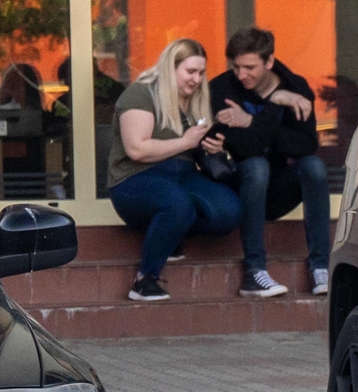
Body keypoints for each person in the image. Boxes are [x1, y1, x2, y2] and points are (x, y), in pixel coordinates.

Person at [107, 38, 239, 302]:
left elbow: (194, 150)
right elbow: (136, 150)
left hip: (183, 174)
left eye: (201, 73)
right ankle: (145, 280)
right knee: (177, 205)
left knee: (229, 211)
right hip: (135, 177)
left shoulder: (196, 100)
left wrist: (213, 149)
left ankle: (173, 231)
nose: (197, 79)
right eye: (190, 72)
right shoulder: (140, 93)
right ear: (170, 67)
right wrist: (186, 141)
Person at [212, 27, 329, 298]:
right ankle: (254, 270)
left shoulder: (295, 89)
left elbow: (305, 145)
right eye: (237, 67)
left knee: (313, 167)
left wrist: (255, 118)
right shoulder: (222, 88)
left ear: (269, 62)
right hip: (237, 190)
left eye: (250, 67)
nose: (242, 75)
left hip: (277, 191)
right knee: (256, 165)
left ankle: (321, 266)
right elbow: (241, 146)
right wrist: (273, 114)